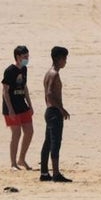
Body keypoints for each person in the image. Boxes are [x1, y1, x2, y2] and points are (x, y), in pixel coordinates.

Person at [39, 46, 72, 182]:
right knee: (55, 143)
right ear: (59, 59)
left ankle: (45, 173)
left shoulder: (48, 73)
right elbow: (50, 94)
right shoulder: (54, 74)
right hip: (54, 112)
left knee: (47, 142)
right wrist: (61, 109)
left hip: (49, 111)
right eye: (65, 58)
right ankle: (56, 174)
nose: (66, 61)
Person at [2, 45, 34, 170]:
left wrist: (30, 105)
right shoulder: (10, 70)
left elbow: (24, 87)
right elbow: (5, 91)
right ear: (18, 57)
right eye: (24, 56)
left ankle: (22, 159)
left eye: (28, 56)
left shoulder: (24, 69)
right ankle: (13, 164)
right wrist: (10, 109)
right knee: (16, 133)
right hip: (11, 107)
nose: (27, 58)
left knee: (29, 131)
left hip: (22, 105)